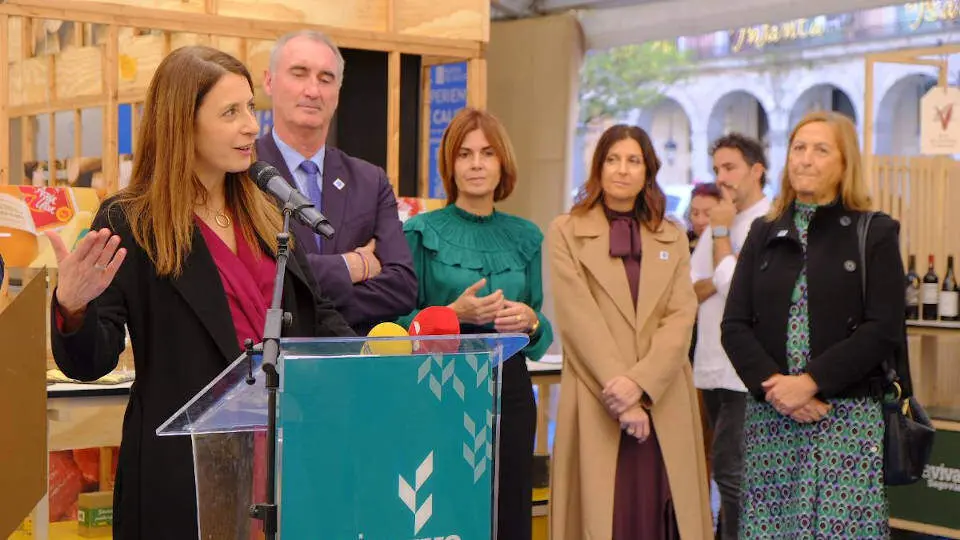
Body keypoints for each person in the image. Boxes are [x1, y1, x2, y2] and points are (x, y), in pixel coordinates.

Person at [47, 46, 354, 540]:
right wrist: (72, 305)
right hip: (186, 471)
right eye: (231, 112)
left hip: (286, 455)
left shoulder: (268, 210)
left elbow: (316, 315)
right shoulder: (131, 221)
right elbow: (91, 362)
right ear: (181, 124)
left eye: (252, 108)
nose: (252, 126)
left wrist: (377, 357)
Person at [721, 111, 906, 538]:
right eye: (798, 148)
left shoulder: (873, 232)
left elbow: (883, 328)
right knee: (772, 528)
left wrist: (810, 382)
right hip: (773, 417)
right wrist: (778, 387)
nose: (805, 159)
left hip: (847, 418)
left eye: (821, 150)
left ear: (845, 164)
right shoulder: (763, 232)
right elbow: (734, 325)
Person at [547, 124, 712, 540]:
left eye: (633, 160)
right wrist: (623, 397)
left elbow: (681, 314)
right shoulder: (566, 231)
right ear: (598, 168)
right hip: (598, 394)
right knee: (604, 515)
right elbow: (578, 318)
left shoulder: (671, 235)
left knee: (669, 510)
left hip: (664, 395)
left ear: (647, 171)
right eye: (613, 159)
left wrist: (641, 386)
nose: (622, 170)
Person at [398, 108, 553, 540]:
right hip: (440, 385)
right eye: (464, 154)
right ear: (450, 164)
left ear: (503, 162)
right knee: (446, 509)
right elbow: (393, 325)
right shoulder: (420, 231)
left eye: (487, 153)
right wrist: (455, 316)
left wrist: (531, 320)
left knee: (511, 509)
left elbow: (541, 333)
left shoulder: (527, 236)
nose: (476, 163)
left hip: (513, 388)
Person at [256, 30, 417, 335]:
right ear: (269, 82)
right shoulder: (244, 173)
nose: (313, 90)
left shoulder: (370, 181)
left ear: (338, 92)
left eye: (326, 78)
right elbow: (255, 278)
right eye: (299, 73)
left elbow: (402, 288)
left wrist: (299, 297)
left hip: (352, 365)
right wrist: (352, 266)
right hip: (273, 368)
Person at [690, 133, 771, 540]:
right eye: (717, 169)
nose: (722, 178)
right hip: (708, 368)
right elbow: (688, 288)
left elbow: (741, 290)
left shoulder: (769, 221)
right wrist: (721, 268)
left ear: (756, 171)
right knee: (721, 470)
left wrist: (722, 240)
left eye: (730, 168)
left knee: (733, 473)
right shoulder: (718, 224)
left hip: (743, 374)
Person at [687, 182, 722, 252]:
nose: (700, 221)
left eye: (708, 214)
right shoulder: (683, 243)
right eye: (695, 213)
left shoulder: (733, 244)